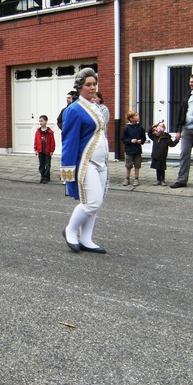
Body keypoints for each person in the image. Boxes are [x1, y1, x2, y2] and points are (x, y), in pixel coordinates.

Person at [60, 67, 108, 254]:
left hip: (101, 162)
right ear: (80, 87)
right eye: (88, 84)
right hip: (85, 162)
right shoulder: (73, 109)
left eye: (94, 84)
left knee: (97, 202)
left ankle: (87, 239)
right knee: (92, 202)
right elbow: (69, 141)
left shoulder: (95, 107)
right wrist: (67, 170)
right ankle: (70, 230)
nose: (92, 87)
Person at [148, 121, 179, 186]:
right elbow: (149, 133)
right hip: (155, 155)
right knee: (157, 169)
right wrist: (153, 127)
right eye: (155, 131)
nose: (155, 133)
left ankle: (162, 180)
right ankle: (158, 180)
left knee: (162, 169)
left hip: (162, 156)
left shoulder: (166, 138)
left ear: (161, 131)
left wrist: (177, 139)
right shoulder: (154, 137)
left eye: (157, 131)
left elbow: (172, 144)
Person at [121, 110, 146, 187]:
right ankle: (127, 178)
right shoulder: (127, 128)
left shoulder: (140, 128)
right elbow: (123, 139)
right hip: (129, 150)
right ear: (131, 119)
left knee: (137, 164)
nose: (138, 117)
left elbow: (143, 138)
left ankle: (136, 178)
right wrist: (130, 140)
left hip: (137, 149)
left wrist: (140, 141)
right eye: (136, 115)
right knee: (128, 165)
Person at [34, 115, 55, 183]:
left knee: (47, 164)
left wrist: (52, 150)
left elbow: (52, 142)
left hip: (47, 151)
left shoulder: (50, 132)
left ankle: (46, 176)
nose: (40, 122)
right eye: (39, 121)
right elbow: (36, 141)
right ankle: (42, 176)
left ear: (46, 121)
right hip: (40, 150)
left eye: (42, 121)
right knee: (41, 164)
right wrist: (36, 149)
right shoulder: (38, 132)